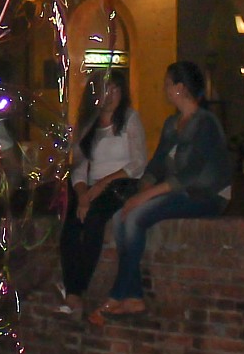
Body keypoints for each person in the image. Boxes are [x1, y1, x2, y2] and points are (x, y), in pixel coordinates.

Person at [90, 61, 232, 321]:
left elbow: (190, 175)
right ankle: (133, 297)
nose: (164, 89)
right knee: (123, 216)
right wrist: (141, 189)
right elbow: (156, 164)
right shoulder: (172, 124)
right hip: (181, 192)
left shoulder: (205, 123)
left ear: (180, 88)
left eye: (168, 84)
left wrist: (146, 196)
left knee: (135, 216)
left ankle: (117, 295)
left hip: (207, 195)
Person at [57, 72, 144, 307]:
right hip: (91, 186)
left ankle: (78, 287)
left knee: (95, 220)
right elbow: (79, 167)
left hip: (119, 183)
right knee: (71, 224)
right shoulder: (88, 126)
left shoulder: (129, 119)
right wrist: (82, 193)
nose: (110, 96)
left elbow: (137, 163)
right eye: (105, 90)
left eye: (115, 89)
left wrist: (101, 185)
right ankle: (72, 291)